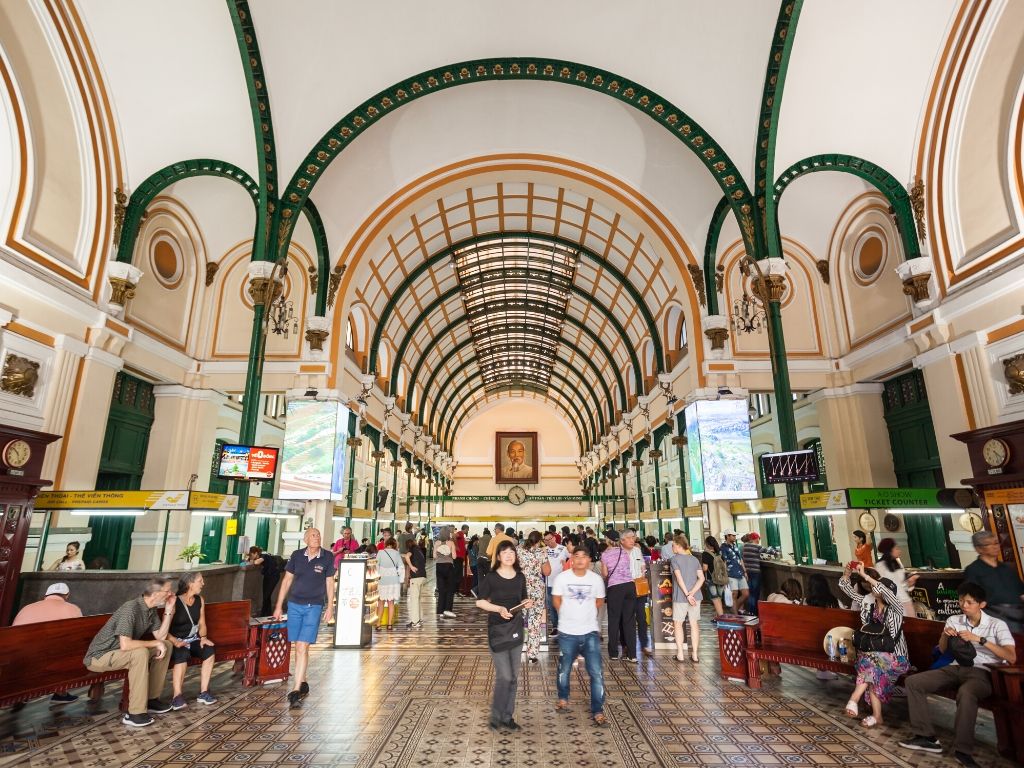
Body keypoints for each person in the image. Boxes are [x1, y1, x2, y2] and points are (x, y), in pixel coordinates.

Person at [899, 581, 1017, 766]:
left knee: (967, 693)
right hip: (954, 667)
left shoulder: (996, 625)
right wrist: (945, 635)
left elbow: (1011, 657)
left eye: (969, 602)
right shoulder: (954, 619)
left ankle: (963, 750)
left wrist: (981, 639)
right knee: (914, 682)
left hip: (983, 672)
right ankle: (926, 737)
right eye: (962, 601)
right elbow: (944, 649)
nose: (964, 606)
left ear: (982, 604)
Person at [83, 576, 177, 727]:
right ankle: (135, 713)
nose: (171, 594)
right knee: (140, 653)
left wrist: (168, 610)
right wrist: (155, 643)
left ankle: (151, 699)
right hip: (100, 656)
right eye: (167, 591)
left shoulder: (150, 610)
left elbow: (161, 636)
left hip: (119, 652)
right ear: (155, 593)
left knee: (166, 644)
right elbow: (126, 645)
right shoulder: (131, 608)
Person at [838, 564, 908, 729]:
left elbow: (887, 593)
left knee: (871, 664)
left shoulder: (896, 608)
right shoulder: (868, 603)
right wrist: (847, 574)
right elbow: (847, 590)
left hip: (896, 657)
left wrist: (867, 576)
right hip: (872, 657)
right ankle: (877, 716)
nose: (874, 587)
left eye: (879, 586)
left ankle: (854, 699)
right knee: (872, 665)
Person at [273, 527, 336, 708]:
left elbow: (329, 582)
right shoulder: (296, 555)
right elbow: (286, 581)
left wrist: (330, 606)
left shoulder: (327, 557)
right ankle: (303, 679)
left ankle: (295, 690)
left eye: (318, 535)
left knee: (302, 646)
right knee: (298, 646)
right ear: (306, 539)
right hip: (294, 605)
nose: (317, 538)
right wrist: (278, 605)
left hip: (313, 606)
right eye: (313, 535)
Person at [476, 540, 532, 730]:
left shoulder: (520, 577)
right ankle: (496, 715)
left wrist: (526, 602)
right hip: (497, 631)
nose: (509, 555)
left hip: (516, 629)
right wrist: (499, 608)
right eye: (504, 552)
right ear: (498, 556)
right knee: (505, 676)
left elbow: (522, 597)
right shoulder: (491, 577)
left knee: (514, 677)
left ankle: (507, 717)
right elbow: (480, 602)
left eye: (512, 552)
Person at [552, 546, 607, 725]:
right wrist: (568, 616)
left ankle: (597, 709)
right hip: (567, 632)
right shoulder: (562, 578)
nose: (581, 560)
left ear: (589, 560)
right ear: (571, 559)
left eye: (584, 556)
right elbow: (556, 600)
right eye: (577, 556)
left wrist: (585, 614)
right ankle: (563, 698)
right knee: (564, 669)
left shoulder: (596, 580)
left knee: (596, 672)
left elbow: (599, 601)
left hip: (590, 631)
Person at [13, 582, 84, 704]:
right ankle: (60, 693)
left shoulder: (27, 607)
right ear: (67, 595)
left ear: (45, 595)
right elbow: (79, 636)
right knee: (66, 649)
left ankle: (21, 693)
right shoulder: (72, 608)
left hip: (17, 655)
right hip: (49, 657)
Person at [167, 572, 217, 709]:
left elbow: (202, 623)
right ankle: (177, 696)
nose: (203, 583)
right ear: (190, 583)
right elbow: (164, 629)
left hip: (193, 639)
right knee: (182, 654)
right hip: (176, 641)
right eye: (200, 581)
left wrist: (204, 638)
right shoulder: (175, 602)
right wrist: (175, 642)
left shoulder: (200, 600)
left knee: (209, 650)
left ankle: (204, 692)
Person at [963, 530, 1024, 632]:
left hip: (1019, 613)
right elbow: (974, 600)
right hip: (996, 616)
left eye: (996, 543)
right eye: (988, 544)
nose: (995, 546)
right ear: (978, 549)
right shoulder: (973, 570)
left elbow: (1021, 593)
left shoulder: (1007, 568)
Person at [600, 529, 637, 661]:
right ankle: (632, 654)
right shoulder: (625, 552)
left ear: (608, 540)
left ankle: (614, 653)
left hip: (615, 588)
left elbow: (605, 574)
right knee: (629, 621)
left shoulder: (604, 555)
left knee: (614, 620)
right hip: (630, 586)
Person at [670, 534, 704, 663]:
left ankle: (680, 654)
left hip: (680, 597)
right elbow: (702, 578)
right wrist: (693, 593)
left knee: (678, 623)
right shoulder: (694, 559)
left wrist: (687, 594)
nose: (672, 547)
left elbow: (679, 579)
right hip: (696, 597)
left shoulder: (674, 559)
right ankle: (695, 655)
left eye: (673, 545)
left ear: (678, 546)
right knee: (694, 624)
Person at [517, 531, 549, 662]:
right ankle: (532, 655)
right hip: (537, 589)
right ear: (540, 540)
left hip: (520, 587)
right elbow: (547, 571)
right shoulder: (542, 552)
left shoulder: (518, 550)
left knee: (518, 619)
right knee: (535, 621)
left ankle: (515, 650)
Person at [622, 529, 652, 656]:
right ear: (622, 540)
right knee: (627, 618)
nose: (632, 540)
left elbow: (642, 566)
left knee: (642, 617)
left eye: (633, 537)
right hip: (625, 587)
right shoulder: (618, 553)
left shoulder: (637, 550)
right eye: (629, 538)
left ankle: (644, 644)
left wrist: (643, 572)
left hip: (639, 588)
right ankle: (626, 645)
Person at [875, 538, 917, 617]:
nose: (899, 551)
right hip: (893, 604)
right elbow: (882, 587)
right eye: (896, 548)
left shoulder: (898, 563)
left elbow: (903, 585)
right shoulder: (880, 566)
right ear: (889, 551)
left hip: (906, 601)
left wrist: (910, 583)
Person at [543, 529, 570, 636]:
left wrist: (566, 565)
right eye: (545, 540)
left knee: (562, 606)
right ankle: (555, 627)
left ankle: (564, 626)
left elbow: (572, 558)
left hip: (561, 584)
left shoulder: (563, 549)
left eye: (549, 539)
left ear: (554, 538)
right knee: (551, 606)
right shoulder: (544, 550)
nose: (548, 542)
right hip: (548, 583)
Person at [376, 538, 405, 630]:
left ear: (386, 544)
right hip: (393, 581)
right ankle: (389, 624)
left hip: (382, 581)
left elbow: (376, 565)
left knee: (381, 602)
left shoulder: (380, 552)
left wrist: (377, 576)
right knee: (391, 602)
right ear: (394, 545)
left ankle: (378, 624)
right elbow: (401, 567)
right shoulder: (396, 554)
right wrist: (401, 580)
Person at [720, 529, 749, 614]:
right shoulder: (723, 547)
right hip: (731, 574)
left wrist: (745, 571)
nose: (735, 537)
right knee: (734, 594)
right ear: (727, 536)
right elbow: (723, 562)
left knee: (746, 594)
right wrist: (725, 575)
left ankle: (735, 608)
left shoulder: (735, 546)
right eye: (733, 535)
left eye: (735, 536)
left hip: (740, 572)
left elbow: (740, 559)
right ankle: (735, 614)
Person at [434, 527, 457, 619]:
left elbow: (434, 556)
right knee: (450, 589)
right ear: (448, 534)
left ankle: (440, 611)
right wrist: (449, 553)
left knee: (441, 589)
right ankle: (448, 610)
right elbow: (454, 557)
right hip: (449, 566)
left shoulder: (436, 543)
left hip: (439, 566)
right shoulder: (451, 543)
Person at [700, 536, 726, 619]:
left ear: (707, 544)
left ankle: (721, 618)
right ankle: (718, 616)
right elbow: (724, 565)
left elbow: (705, 568)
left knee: (715, 599)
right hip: (721, 578)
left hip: (711, 579)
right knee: (719, 598)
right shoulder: (719, 553)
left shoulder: (705, 553)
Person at [403, 538, 427, 629]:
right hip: (423, 576)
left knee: (414, 600)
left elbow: (406, 556)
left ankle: (415, 622)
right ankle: (419, 619)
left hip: (416, 577)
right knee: (418, 599)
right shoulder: (419, 550)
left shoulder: (412, 550)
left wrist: (411, 566)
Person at [741, 532, 764, 616]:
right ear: (756, 538)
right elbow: (769, 551)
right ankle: (754, 612)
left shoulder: (745, 546)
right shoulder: (757, 547)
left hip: (747, 572)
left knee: (750, 592)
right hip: (755, 571)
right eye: (758, 538)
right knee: (755, 592)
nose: (759, 540)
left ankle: (750, 611)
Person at [454, 524, 470, 596]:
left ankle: (456, 590)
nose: (468, 531)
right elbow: (454, 536)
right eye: (468, 529)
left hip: (460, 557)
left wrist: (467, 542)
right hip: (458, 557)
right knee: (458, 574)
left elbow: (461, 543)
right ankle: (456, 591)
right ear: (465, 529)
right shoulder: (460, 533)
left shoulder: (462, 536)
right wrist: (456, 546)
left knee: (459, 574)